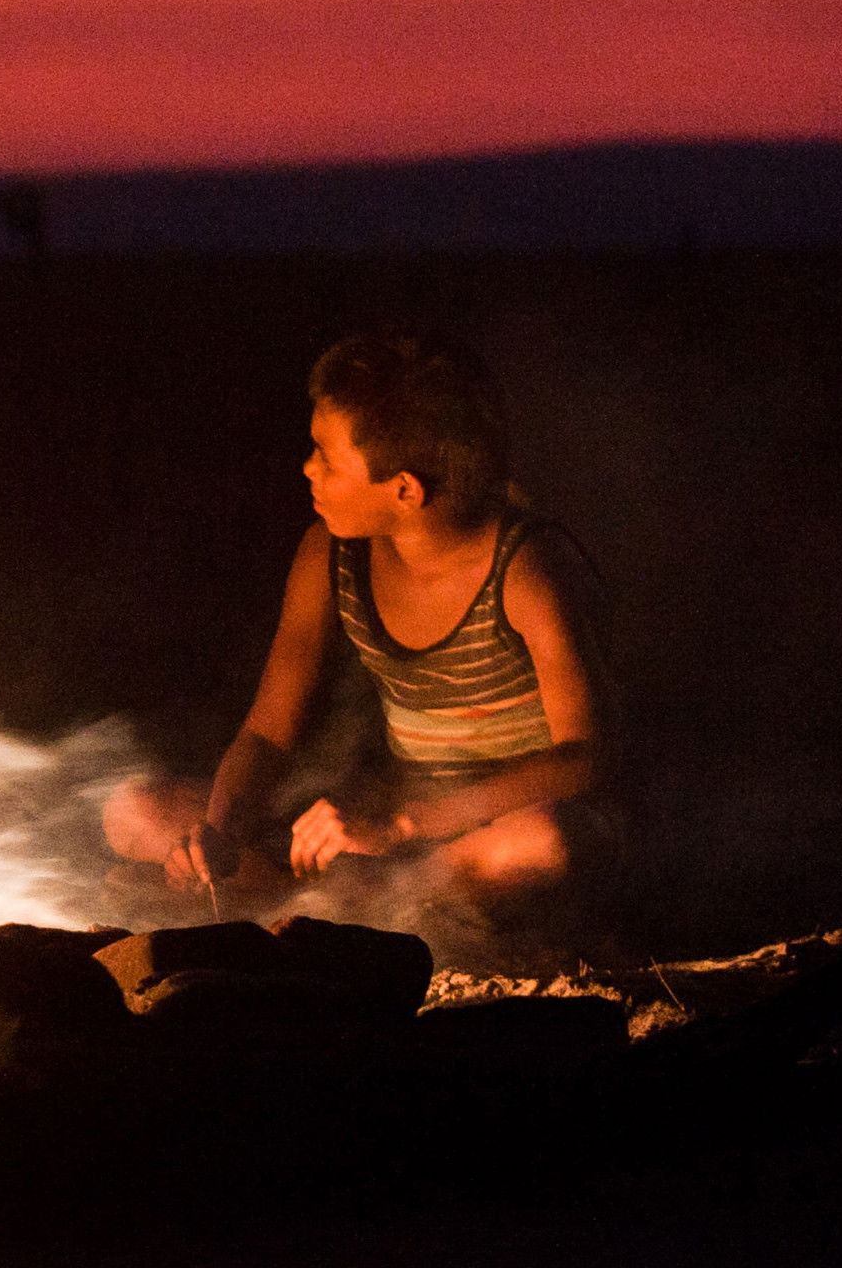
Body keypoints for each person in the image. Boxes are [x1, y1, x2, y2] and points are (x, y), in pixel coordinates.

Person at [104, 332, 607, 944]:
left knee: (545, 841)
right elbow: (268, 732)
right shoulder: (331, 552)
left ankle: (339, 910)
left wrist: (405, 824)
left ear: (405, 490)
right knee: (136, 810)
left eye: (328, 458)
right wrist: (220, 832)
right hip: (397, 822)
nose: (307, 468)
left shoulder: (526, 570)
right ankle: (332, 905)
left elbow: (584, 759)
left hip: (491, 822)